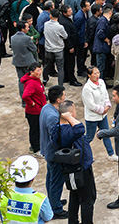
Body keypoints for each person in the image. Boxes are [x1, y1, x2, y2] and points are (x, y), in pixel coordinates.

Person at [51, 101, 96, 224]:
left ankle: (73, 221)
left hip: (72, 169)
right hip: (80, 169)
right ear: (69, 113)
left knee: (75, 196)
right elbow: (80, 128)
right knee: (88, 199)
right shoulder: (68, 131)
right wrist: (69, 117)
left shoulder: (58, 128)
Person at [39, 84, 68, 219]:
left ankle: (53, 201)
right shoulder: (52, 116)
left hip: (48, 150)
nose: (65, 97)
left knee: (51, 177)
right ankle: (56, 209)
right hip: (54, 153)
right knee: (56, 180)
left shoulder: (46, 108)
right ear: (58, 99)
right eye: (63, 95)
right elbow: (56, 137)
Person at [0, 155, 54, 223]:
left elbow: (0, 214)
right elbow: (48, 217)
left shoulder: (3, 196)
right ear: (32, 179)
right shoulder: (41, 200)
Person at [82, 66, 116, 161]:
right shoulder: (87, 88)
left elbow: (105, 95)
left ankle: (111, 154)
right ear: (89, 75)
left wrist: (107, 105)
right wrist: (102, 109)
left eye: (98, 73)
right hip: (92, 117)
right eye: (95, 73)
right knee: (89, 137)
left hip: (103, 116)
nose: (97, 75)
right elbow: (90, 105)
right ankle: (83, 154)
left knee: (106, 134)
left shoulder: (101, 82)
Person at [20, 63, 46, 156]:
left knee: (38, 129)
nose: (40, 72)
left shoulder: (35, 79)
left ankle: (35, 145)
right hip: (34, 112)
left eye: (40, 69)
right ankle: (36, 149)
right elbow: (25, 96)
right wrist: (32, 103)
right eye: (38, 70)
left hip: (39, 109)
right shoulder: (31, 83)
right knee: (35, 130)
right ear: (32, 72)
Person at [43, 6, 68, 86]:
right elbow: (65, 36)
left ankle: (44, 79)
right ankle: (60, 85)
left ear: (50, 15)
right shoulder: (60, 27)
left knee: (47, 65)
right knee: (60, 68)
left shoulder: (46, 24)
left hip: (49, 49)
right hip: (58, 49)